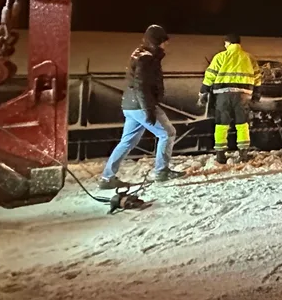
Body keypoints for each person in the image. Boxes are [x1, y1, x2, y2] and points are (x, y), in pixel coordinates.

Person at [99, 25, 184, 187]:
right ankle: (162, 171)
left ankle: (107, 178)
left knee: (127, 141)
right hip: (141, 105)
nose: (167, 45)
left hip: (130, 105)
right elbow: (141, 85)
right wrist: (148, 110)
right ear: (158, 41)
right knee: (168, 133)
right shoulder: (147, 58)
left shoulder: (141, 53)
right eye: (165, 41)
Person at [199, 33, 263, 163]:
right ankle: (243, 154)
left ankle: (220, 155)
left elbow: (210, 75)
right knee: (242, 124)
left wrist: (203, 91)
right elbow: (257, 77)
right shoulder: (249, 58)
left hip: (223, 95)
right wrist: (257, 93)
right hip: (243, 95)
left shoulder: (220, 57)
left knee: (222, 124)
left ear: (227, 43)